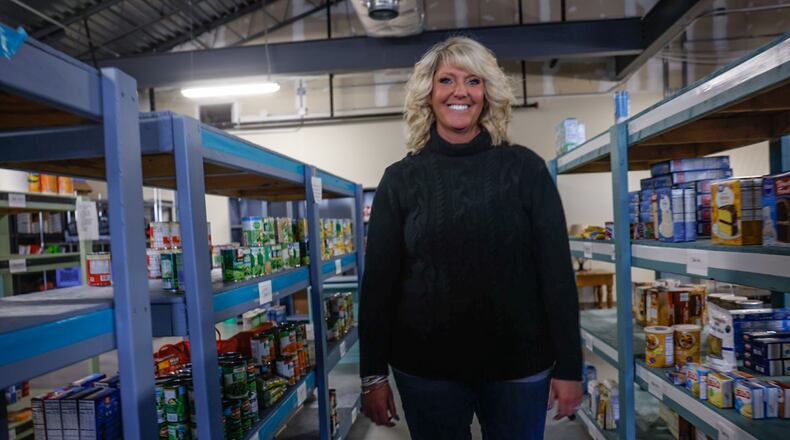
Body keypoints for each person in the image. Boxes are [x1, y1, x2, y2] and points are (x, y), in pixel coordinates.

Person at [359, 36, 583, 440]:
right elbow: (378, 286)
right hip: (426, 370)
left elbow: (557, 276)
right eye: (446, 80)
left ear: (488, 94)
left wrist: (569, 367)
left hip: (519, 367)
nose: (460, 92)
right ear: (428, 93)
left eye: (473, 81)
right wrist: (372, 375)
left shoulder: (526, 170)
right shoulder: (400, 181)